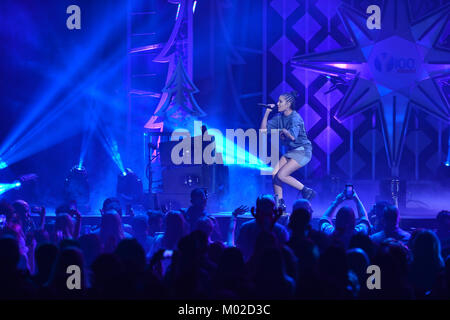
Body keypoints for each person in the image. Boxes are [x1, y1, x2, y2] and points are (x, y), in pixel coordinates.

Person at [260, 91, 315, 211]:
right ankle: (279, 204)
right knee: (275, 174)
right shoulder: (278, 118)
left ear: (288, 104)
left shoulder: (295, 118)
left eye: (280, 101)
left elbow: (293, 137)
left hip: (303, 150)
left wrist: (285, 131)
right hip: (292, 151)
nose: (277, 103)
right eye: (278, 101)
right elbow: (263, 131)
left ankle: (306, 191)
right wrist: (267, 112)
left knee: (282, 175)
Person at [236, 194, 288, 261]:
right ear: (274, 209)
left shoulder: (246, 227)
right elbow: (286, 254)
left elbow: (240, 250)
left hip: (251, 268)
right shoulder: (280, 230)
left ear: (256, 209)